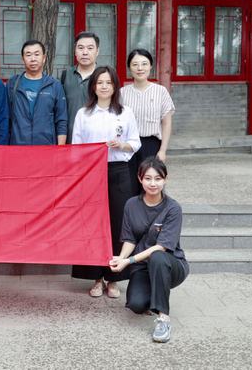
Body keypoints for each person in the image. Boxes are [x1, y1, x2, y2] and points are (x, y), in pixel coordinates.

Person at [71, 66, 141, 299]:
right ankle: (96, 278)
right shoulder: (84, 114)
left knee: (117, 223)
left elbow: (135, 142)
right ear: (93, 86)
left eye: (108, 83)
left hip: (118, 170)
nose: (103, 86)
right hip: (91, 173)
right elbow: (76, 147)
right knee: (92, 224)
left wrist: (121, 145)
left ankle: (113, 279)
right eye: (99, 82)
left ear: (115, 86)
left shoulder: (125, 112)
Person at [109, 157, 189, 343]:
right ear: (140, 179)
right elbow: (129, 239)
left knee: (158, 257)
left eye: (158, 179)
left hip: (170, 264)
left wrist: (129, 261)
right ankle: (154, 292)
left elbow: (161, 247)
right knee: (136, 305)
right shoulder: (131, 204)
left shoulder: (173, 208)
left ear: (165, 179)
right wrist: (121, 258)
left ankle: (163, 319)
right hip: (143, 266)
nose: (153, 183)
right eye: (148, 178)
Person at [120, 49, 175, 196]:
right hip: (128, 146)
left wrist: (162, 150)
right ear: (129, 67)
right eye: (135, 64)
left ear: (151, 66)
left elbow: (166, 123)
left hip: (151, 145)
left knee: (151, 187)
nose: (140, 68)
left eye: (144, 64)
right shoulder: (122, 93)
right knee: (129, 187)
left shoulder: (160, 91)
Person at [7, 39, 68, 145]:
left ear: (44, 58)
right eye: (28, 55)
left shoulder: (54, 85)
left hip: (46, 147)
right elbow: (6, 119)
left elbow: (61, 120)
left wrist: (60, 149)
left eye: (37, 54)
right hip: (18, 146)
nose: (33, 59)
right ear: (23, 59)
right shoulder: (13, 84)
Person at [60, 31, 100, 143]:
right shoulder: (66, 75)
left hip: (96, 140)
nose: (85, 52)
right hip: (70, 137)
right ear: (75, 51)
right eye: (80, 48)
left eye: (90, 48)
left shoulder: (104, 76)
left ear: (97, 51)